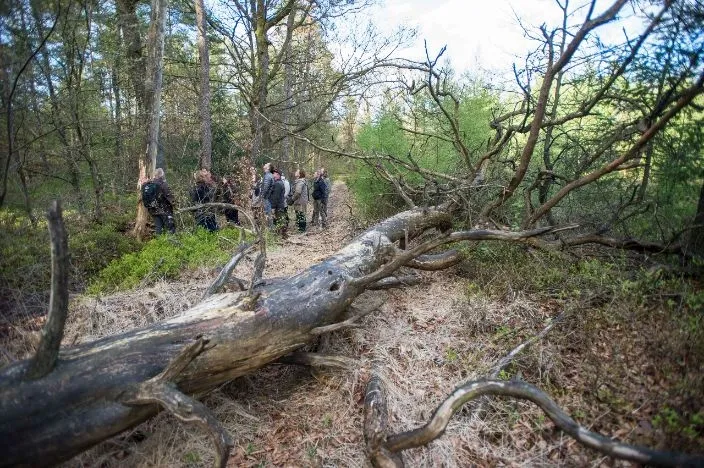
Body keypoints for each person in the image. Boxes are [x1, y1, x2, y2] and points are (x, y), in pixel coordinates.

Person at [141, 167, 176, 235]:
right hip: (164, 210)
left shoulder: (148, 184)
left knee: (158, 227)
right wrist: (174, 204)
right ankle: (171, 244)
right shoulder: (163, 184)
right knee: (170, 227)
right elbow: (169, 197)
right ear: (162, 174)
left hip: (153, 210)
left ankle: (158, 243)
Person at [289, 169, 309, 233]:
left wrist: (292, 199)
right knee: (300, 215)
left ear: (299, 174)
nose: (295, 172)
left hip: (300, 202)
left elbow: (298, 192)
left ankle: (302, 230)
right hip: (300, 201)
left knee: (301, 215)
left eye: (297, 172)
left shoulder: (300, 182)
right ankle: (300, 229)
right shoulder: (299, 181)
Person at [270, 169, 288, 238]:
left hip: (278, 206)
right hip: (279, 205)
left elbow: (275, 197)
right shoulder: (278, 182)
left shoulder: (277, 184)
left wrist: (273, 207)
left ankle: (283, 236)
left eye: (274, 173)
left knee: (280, 221)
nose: (272, 174)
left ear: (278, 175)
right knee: (280, 220)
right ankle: (280, 235)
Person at [260, 162, 274, 228]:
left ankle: (270, 230)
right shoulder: (268, 175)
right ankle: (269, 230)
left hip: (266, 198)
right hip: (268, 198)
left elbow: (266, 187)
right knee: (268, 214)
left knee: (268, 214)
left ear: (268, 168)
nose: (264, 164)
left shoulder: (268, 176)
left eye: (266, 164)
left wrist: (262, 196)